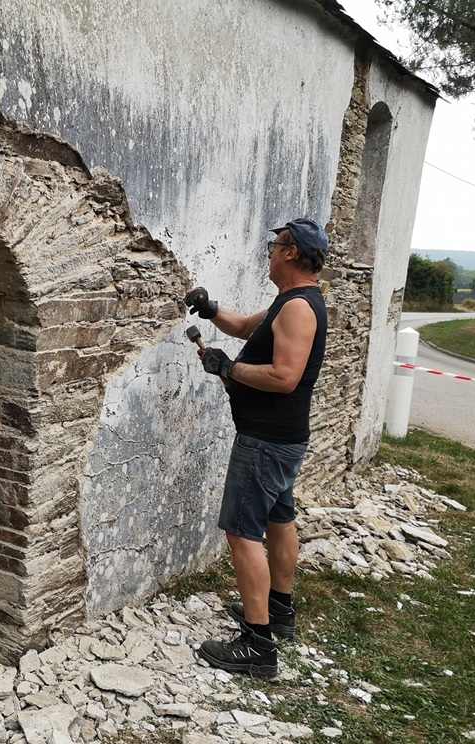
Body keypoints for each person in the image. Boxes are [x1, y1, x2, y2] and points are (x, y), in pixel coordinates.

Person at [184, 218, 329, 679]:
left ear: (290, 253)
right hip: (281, 439)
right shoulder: (288, 303)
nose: (269, 252)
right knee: (278, 518)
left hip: (266, 440)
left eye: (275, 245)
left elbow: (285, 377)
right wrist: (210, 311)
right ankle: (279, 611)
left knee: (242, 533)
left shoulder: (299, 309)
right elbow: (247, 326)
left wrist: (231, 371)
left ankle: (258, 645)